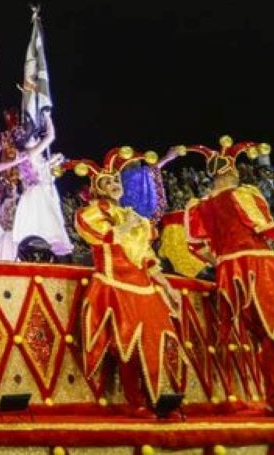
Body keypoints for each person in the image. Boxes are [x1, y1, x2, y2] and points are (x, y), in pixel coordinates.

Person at [183, 137, 274, 414]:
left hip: (231, 271)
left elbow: (196, 246)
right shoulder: (243, 194)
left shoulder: (197, 206)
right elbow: (266, 229)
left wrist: (224, 260)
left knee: (271, 333)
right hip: (259, 266)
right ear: (231, 172)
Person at [66, 148, 182, 415]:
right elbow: (103, 237)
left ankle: (159, 400)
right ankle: (137, 403)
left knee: (154, 344)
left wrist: (167, 286)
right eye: (108, 182)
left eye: (117, 180)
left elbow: (147, 257)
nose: (115, 185)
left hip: (143, 286)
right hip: (115, 285)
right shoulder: (90, 213)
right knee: (127, 346)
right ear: (96, 188)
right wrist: (128, 224)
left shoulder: (135, 217)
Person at [0, 109, 71, 260]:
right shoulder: (31, 152)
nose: (36, 140)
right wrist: (47, 117)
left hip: (35, 194)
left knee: (40, 229)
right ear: (28, 141)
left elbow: (43, 169)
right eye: (34, 138)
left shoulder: (26, 156)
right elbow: (50, 136)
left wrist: (54, 161)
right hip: (38, 194)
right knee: (44, 227)